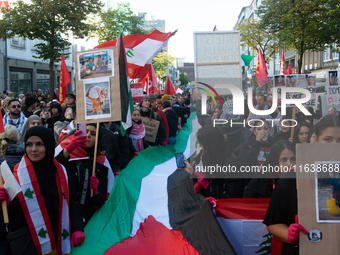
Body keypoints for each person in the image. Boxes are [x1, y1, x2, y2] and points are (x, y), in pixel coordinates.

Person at [0, 126, 85, 255]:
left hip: (59, 238)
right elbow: (11, 217)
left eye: (39, 144)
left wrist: (77, 228)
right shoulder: (16, 176)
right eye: (29, 144)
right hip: (27, 245)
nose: (33, 149)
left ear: (49, 145)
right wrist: (3, 201)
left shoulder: (63, 173)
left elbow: (73, 203)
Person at [264, 115, 340, 255]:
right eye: (328, 139)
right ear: (315, 139)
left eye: (339, 140)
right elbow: (273, 222)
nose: (334, 146)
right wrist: (289, 234)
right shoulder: (292, 178)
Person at [55, 124, 114, 225]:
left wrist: (95, 192)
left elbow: (102, 200)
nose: (88, 135)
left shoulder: (102, 163)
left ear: (98, 138)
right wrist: (68, 150)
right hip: (65, 215)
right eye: (85, 131)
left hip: (89, 218)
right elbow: (53, 169)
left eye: (93, 134)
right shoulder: (67, 153)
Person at [182, 126, 244, 199]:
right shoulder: (211, 157)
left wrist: (208, 186)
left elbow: (231, 197)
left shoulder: (231, 165)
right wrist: (192, 172)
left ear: (211, 146)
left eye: (203, 146)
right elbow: (209, 179)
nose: (201, 149)